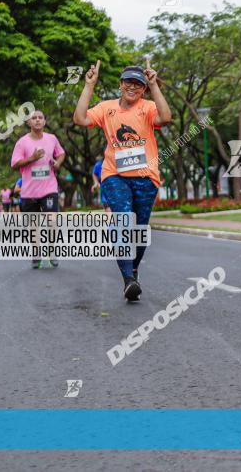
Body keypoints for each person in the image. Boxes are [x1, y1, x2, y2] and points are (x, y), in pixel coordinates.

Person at [73, 59, 172, 301]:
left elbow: (165, 118)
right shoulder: (106, 108)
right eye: (128, 81)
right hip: (114, 176)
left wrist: (154, 86)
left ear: (143, 88)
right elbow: (80, 119)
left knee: (140, 230)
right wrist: (89, 85)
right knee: (123, 223)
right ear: (120, 84)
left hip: (145, 178)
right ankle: (128, 279)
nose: (132, 87)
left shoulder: (147, 107)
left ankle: (133, 269)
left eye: (138, 84)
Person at [11, 110, 66, 269]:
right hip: (29, 192)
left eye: (40, 117)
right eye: (33, 118)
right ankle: (36, 253)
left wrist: (58, 163)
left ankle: (52, 250)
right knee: (33, 227)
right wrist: (32, 158)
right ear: (28, 122)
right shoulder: (22, 142)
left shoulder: (52, 139)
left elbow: (61, 154)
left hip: (49, 188)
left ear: (44, 121)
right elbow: (14, 164)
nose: (37, 120)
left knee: (52, 222)